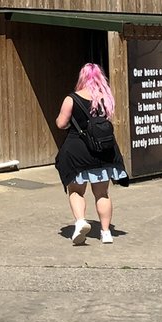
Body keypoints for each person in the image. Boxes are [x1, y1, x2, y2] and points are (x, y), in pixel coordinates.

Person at [54, 62, 125, 245]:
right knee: (102, 193)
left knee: (76, 191)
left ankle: (80, 222)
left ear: (82, 78)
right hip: (103, 152)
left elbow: (61, 124)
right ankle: (106, 232)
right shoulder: (105, 98)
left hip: (78, 152)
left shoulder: (71, 99)